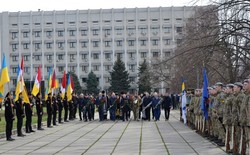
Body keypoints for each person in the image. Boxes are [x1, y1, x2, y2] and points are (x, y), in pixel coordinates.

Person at [232, 82, 244, 154]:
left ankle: (240, 151)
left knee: (240, 136)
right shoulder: (235, 96)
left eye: (235, 87)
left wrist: (240, 119)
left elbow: (241, 110)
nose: (234, 88)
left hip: (240, 119)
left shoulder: (241, 96)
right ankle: (236, 149)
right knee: (236, 135)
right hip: (235, 119)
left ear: (239, 88)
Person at [239, 78, 250, 155]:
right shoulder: (246, 95)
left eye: (245, 84)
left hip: (248, 121)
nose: (244, 86)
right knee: (247, 138)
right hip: (245, 121)